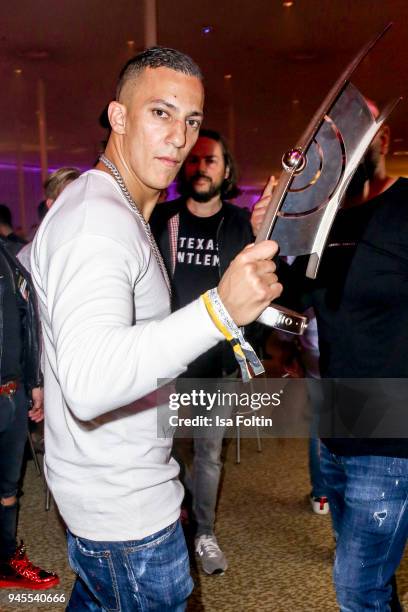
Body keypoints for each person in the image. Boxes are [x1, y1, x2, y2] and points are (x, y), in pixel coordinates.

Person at [31, 47, 282, 610]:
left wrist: (252, 229)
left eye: (191, 120)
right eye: (161, 113)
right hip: (127, 518)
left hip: (114, 498)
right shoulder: (98, 221)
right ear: (118, 117)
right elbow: (91, 383)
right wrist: (219, 310)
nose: (179, 136)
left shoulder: (120, 211)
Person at [251, 104, 408, 611]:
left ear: (383, 139)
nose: (347, 143)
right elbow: (284, 308)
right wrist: (268, 240)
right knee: (373, 584)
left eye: (360, 132)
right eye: (337, 135)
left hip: (390, 443)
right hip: (334, 431)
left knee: (356, 591)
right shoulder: (326, 223)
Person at [151, 128, 253, 575]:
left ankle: (204, 532)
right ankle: (173, 518)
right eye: (193, 160)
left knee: (208, 454)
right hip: (167, 362)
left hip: (218, 367)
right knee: (161, 451)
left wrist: (250, 351)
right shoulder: (162, 219)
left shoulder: (239, 223)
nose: (200, 168)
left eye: (210, 160)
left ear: (226, 170)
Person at [0, 239, 59, 589]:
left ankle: (6, 560)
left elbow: (26, 322)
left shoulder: (8, 255)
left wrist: (34, 383)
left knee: (9, 488)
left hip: (12, 394)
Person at [18, 167, 80, 272]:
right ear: (51, 204)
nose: (78, 202)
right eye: (68, 197)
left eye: (80, 195)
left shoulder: (94, 238)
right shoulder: (31, 255)